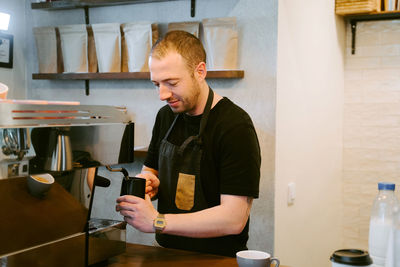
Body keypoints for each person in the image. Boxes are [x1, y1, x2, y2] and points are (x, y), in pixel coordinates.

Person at [116, 30, 261, 257]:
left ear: (200, 71)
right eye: (156, 84)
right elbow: (150, 171)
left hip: (216, 259)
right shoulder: (165, 116)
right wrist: (147, 184)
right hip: (164, 252)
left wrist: (157, 221)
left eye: (171, 83)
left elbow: (234, 219)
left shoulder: (234, 126)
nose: (162, 94)